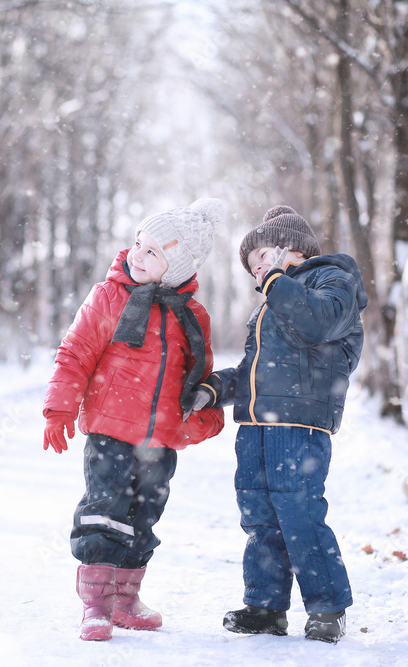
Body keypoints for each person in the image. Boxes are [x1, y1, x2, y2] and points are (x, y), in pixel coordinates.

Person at [42, 198, 226, 641]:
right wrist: (60, 406)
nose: (136, 256)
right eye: (138, 244)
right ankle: (96, 605)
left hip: (160, 440)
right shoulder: (110, 297)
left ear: (176, 268)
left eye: (152, 252)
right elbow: (76, 352)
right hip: (109, 431)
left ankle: (125, 599)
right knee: (104, 511)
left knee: (145, 515)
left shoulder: (191, 315)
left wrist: (202, 418)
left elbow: (197, 376)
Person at [185, 205, 368, 644]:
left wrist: (275, 283)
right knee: (260, 518)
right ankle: (265, 606)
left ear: (293, 249)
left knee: (299, 512)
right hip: (256, 427)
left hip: (300, 424)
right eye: (253, 267)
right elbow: (255, 370)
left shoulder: (333, 279)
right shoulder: (271, 304)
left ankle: (327, 608)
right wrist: (215, 387)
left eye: (263, 257)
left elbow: (318, 322)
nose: (258, 270)